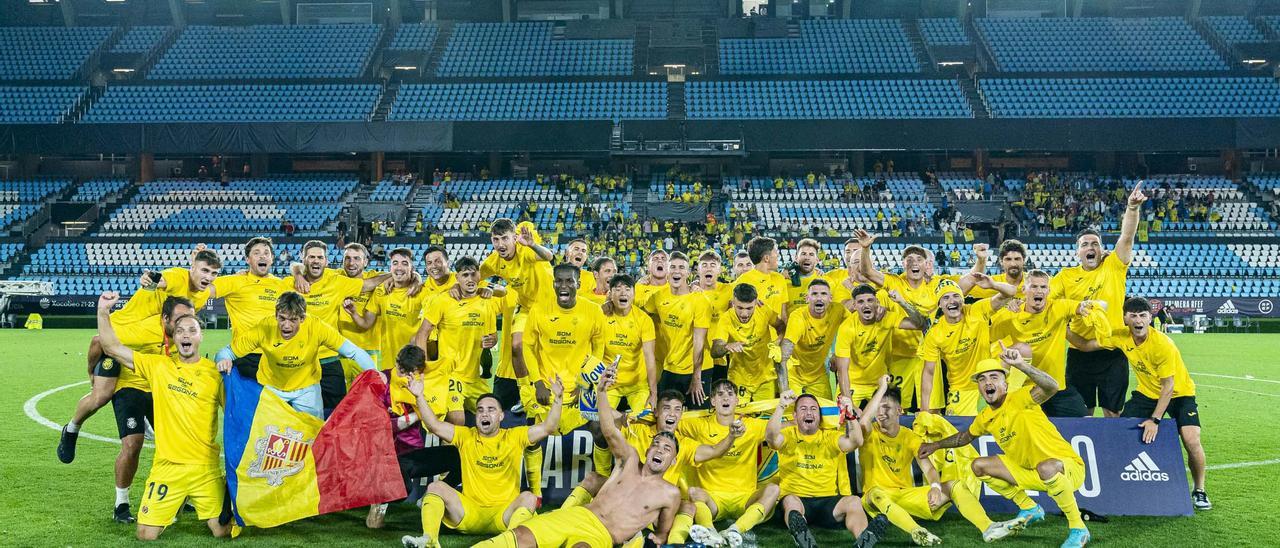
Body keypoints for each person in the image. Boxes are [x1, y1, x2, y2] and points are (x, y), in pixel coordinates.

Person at [57, 249, 220, 523]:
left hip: (154, 380)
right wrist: (91, 374)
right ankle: (73, 430)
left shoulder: (190, 311)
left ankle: (184, 491)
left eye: (189, 323)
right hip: (120, 359)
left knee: (182, 436)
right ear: (167, 318)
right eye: (180, 323)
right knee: (104, 400)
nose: (186, 327)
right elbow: (100, 341)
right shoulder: (144, 325)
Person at [920, 345, 1091, 548]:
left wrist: (1020, 365)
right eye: (982, 379)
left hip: (1067, 469)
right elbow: (964, 437)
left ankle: (1079, 528)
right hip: (1030, 472)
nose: (988, 382)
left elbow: (1051, 387)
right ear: (979, 388)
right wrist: (936, 445)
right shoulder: (985, 417)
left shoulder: (1020, 398)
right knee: (978, 466)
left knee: (1046, 467)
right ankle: (1029, 508)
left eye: (994, 377)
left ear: (1005, 384)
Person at [94, 291, 230, 541]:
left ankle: (221, 489)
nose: (186, 335)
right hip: (167, 468)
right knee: (146, 535)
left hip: (205, 469)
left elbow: (235, 414)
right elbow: (112, 347)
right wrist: (103, 311)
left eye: (191, 330)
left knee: (222, 531)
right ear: (173, 338)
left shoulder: (215, 374)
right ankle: (172, 504)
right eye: (180, 331)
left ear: (201, 336)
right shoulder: (158, 367)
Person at [1070, 296, 1210, 510]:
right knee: (1122, 432)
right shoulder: (1121, 337)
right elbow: (1085, 345)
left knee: (1191, 440)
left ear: (1150, 318)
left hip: (1179, 395)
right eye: (1133, 315)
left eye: (1143, 315)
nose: (1138, 320)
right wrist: (1058, 326)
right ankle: (1123, 482)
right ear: (1125, 318)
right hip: (1146, 394)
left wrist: (1155, 419)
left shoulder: (1163, 344)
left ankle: (1199, 490)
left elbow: (1168, 387)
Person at [399, 379, 565, 548]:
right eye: (480, 410)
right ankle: (429, 541)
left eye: (491, 410)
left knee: (528, 497)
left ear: (501, 416)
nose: (485, 414)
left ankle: (512, 541)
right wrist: (419, 396)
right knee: (435, 488)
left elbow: (548, 427)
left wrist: (558, 399)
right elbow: (434, 425)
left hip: (504, 516)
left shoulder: (515, 436)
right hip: (469, 514)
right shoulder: (466, 436)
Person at [1051, 182, 1147, 417]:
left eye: (1095, 243)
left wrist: (1132, 208)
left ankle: (1112, 454)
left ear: (1102, 249)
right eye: (1085, 244)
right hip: (1079, 354)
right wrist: (1075, 339)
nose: (1090, 247)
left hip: (1113, 352)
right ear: (1077, 252)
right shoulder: (1065, 276)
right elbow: (1049, 308)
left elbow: (1127, 237)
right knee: (1082, 413)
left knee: (1112, 412)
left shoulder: (1113, 266)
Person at [214, 292, 378, 419]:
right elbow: (225, 352)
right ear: (276, 315)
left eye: (293, 320)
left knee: (311, 437)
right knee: (267, 438)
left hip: (306, 388)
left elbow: (354, 351)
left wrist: (375, 374)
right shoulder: (264, 327)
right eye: (282, 318)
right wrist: (223, 359)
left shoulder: (317, 327)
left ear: (303, 318)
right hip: (272, 387)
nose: (286, 325)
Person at [766, 391, 883, 548]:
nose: (809, 412)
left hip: (828, 502)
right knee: (790, 502)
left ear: (820, 416)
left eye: (814, 409)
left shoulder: (830, 437)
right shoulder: (787, 435)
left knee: (854, 501)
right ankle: (801, 535)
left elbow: (857, 441)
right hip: (798, 499)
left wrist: (850, 415)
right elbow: (771, 438)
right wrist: (781, 406)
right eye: (803, 409)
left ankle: (863, 540)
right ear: (794, 416)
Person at [367, 345, 465, 529]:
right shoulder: (383, 382)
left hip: (410, 454)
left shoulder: (425, 384)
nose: (402, 375)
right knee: (402, 493)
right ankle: (379, 500)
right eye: (400, 369)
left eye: (407, 372)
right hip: (385, 457)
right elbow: (379, 428)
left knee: (462, 458)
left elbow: (433, 424)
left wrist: (419, 403)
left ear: (419, 370)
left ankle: (433, 495)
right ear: (396, 361)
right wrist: (412, 416)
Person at [288, 241, 392, 414]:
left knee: (367, 404)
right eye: (347, 258)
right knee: (340, 406)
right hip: (338, 354)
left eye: (357, 258)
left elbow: (371, 286)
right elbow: (299, 265)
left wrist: (401, 275)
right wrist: (298, 274)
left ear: (366, 261)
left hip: (366, 353)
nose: (352, 263)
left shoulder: (374, 278)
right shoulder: (334, 277)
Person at [994, 270, 1101, 417]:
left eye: (1043, 287)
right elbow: (988, 341)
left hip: (1055, 386)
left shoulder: (1059, 308)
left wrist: (1089, 307)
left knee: (1086, 421)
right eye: (1034, 286)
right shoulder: (1009, 316)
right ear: (1024, 290)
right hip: (1025, 389)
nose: (1039, 291)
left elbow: (1099, 305)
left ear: (1049, 291)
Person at [686, 380, 778, 548]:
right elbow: (668, 420)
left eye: (730, 394)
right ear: (713, 401)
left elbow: (783, 427)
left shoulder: (751, 425)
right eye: (720, 395)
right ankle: (710, 532)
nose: (725, 398)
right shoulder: (698, 425)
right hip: (713, 498)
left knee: (773, 489)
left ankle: (735, 530)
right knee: (693, 492)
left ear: (737, 401)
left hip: (745, 497)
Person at [414, 257, 505, 411]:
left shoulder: (486, 301)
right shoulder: (443, 300)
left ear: (479, 276)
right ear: (457, 278)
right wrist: (424, 366)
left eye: (473, 274)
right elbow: (422, 334)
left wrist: (492, 341)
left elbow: (493, 336)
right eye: (465, 275)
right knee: (456, 418)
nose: (470, 279)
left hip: (476, 378)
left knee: (493, 416)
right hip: (451, 375)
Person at [917, 276, 1015, 415]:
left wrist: (993, 285)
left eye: (956, 296)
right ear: (939, 304)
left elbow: (1010, 292)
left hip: (990, 379)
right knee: (960, 433)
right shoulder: (935, 334)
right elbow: (928, 373)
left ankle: (1013, 395)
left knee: (1022, 350)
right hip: (962, 390)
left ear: (963, 299)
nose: (952, 301)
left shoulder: (977, 310)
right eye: (946, 298)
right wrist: (924, 410)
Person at [831, 284, 928, 410]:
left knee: (891, 417)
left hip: (879, 383)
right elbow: (842, 370)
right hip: (853, 383)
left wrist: (902, 302)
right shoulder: (847, 327)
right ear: (854, 306)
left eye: (870, 300)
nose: (866, 305)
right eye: (861, 302)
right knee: (842, 418)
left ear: (877, 302)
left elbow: (920, 324)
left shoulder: (887, 317)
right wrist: (849, 403)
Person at [642, 252, 712, 407]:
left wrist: (697, 377)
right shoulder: (658, 297)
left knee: (696, 418)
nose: (676, 271)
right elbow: (640, 315)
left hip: (698, 370)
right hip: (670, 366)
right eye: (672, 267)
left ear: (688, 273)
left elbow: (699, 341)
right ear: (667, 271)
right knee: (664, 413)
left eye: (681, 267)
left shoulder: (700, 300)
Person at [210, 238, 287, 380]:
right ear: (247, 259)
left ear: (272, 259)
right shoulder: (235, 281)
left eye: (266, 253)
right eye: (256, 253)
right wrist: (197, 266)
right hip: (245, 356)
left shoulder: (282, 285)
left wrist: (299, 273)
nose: (262, 256)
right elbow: (203, 288)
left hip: (277, 356)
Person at [710, 283, 786, 403]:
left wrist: (778, 341)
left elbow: (781, 326)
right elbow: (715, 351)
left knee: (765, 418)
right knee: (739, 418)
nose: (744, 314)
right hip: (739, 377)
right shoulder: (726, 319)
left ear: (756, 302)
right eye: (740, 308)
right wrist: (727, 346)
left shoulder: (764, 310)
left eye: (749, 308)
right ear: (733, 302)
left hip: (765, 376)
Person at [778, 279, 846, 398]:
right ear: (807, 298)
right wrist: (784, 390)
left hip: (818, 375)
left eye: (823, 294)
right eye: (814, 294)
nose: (819, 298)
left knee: (825, 412)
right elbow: (783, 356)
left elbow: (856, 326)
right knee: (792, 412)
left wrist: (837, 354)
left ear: (830, 298)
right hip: (794, 374)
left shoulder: (838, 310)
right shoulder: (798, 317)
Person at [736, 236, 789, 319]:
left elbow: (783, 313)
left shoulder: (780, 278)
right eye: (776, 252)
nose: (778, 255)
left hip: (777, 331)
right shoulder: (743, 281)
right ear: (766, 258)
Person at [785, 238, 824, 313]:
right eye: (803, 254)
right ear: (796, 258)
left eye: (811, 254)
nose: (807, 257)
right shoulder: (785, 280)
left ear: (817, 260)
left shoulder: (826, 281)